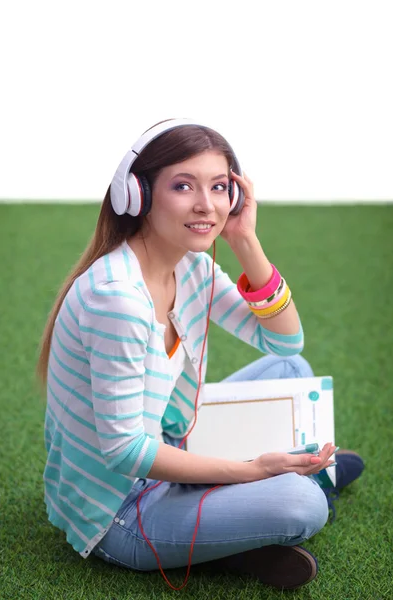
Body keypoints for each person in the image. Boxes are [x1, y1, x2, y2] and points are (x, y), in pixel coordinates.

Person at [37, 118, 364, 591]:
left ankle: (246, 517)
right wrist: (253, 471)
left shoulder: (190, 267)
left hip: (174, 438)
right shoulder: (117, 300)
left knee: (290, 369)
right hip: (121, 511)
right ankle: (278, 505)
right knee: (303, 504)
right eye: (183, 186)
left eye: (219, 187)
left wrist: (243, 240)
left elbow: (284, 342)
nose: (206, 205)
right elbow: (126, 451)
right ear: (138, 196)